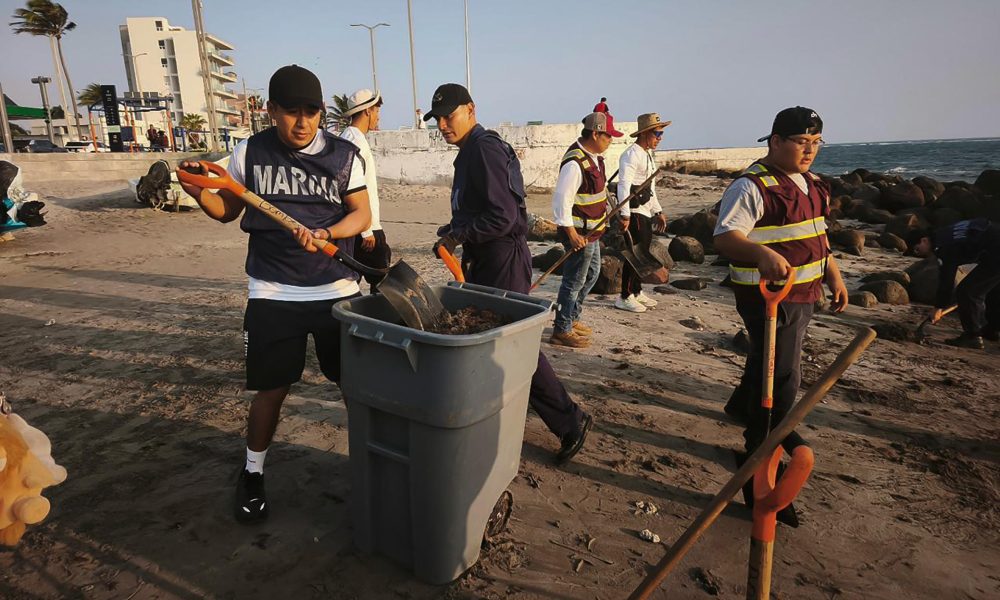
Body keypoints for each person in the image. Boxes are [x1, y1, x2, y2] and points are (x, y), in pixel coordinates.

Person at [177, 65, 371, 524]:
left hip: (337, 290)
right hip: (272, 291)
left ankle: (370, 464)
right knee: (272, 390)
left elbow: (360, 214)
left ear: (322, 112)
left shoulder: (344, 155)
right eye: (290, 112)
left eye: (311, 112)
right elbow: (226, 209)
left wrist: (329, 230)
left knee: (355, 389)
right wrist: (197, 192)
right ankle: (252, 472)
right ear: (271, 111)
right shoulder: (250, 152)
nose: (301, 123)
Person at [425, 83, 592, 463]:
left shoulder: (482, 150)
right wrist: (453, 233)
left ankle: (571, 422)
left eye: (449, 115)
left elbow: (503, 217)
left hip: (502, 258)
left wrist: (459, 235)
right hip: (486, 257)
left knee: (513, 346)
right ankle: (496, 418)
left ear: (471, 109)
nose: (443, 124)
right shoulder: (472, 151)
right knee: (492, 342)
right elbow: (484, 210)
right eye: (437, 119)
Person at [713, 106, 848, 527]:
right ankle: (760, 461)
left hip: (804, 294)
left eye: (815, 143)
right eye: (800, 142)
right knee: (783, 379)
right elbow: (724, 236)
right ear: (775, 141)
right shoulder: (752, 187)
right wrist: (760, 252)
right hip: (767, 297)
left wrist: (834, 276)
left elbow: (817, 237)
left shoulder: (814, 185)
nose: (809, 151)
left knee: (767, 363)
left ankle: (742, 408)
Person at [550, 112, 622, 348]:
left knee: (591, 275)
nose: (611, 140)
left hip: (593, 232)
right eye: (608, 135)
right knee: (574, 281)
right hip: (579, 234)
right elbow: (562, 199)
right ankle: (562, 329)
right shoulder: (575, 162)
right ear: (595, 133)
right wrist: (571, 234)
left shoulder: (595, 158)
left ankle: (572, 317)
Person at [907, 219, 1000, 349]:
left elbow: (947, 279)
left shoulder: (943, 247)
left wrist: (938, 307)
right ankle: (992, 329)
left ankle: (972, 336)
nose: (919, 254)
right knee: (990, 287)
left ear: (924, 240)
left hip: (995, 251)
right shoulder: (943, 233)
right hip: (993, 246)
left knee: (967, 291)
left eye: (917, 250)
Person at [615, 112, 671, 313]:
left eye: (661, 134)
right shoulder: (631, 154)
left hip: (646, 210)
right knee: (635, 254)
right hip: (635, 211)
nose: (660, 138)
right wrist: (625, 214)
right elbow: (624, 185)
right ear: (646, 133)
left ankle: (637, 291)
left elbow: (651, 187)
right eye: (657, 134)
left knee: (644, 252)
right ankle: (625, 295)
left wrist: (658, 210)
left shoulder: (647, 155)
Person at [339, 89, 391, 293]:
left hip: (359, 222)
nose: (378, 117)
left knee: (358, 277)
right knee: (382, 281)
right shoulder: (355, 142)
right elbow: (353, 185)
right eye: (377, 111)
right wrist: (367, 230)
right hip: (365, 225)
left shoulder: (349, 137)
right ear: (368, 111)